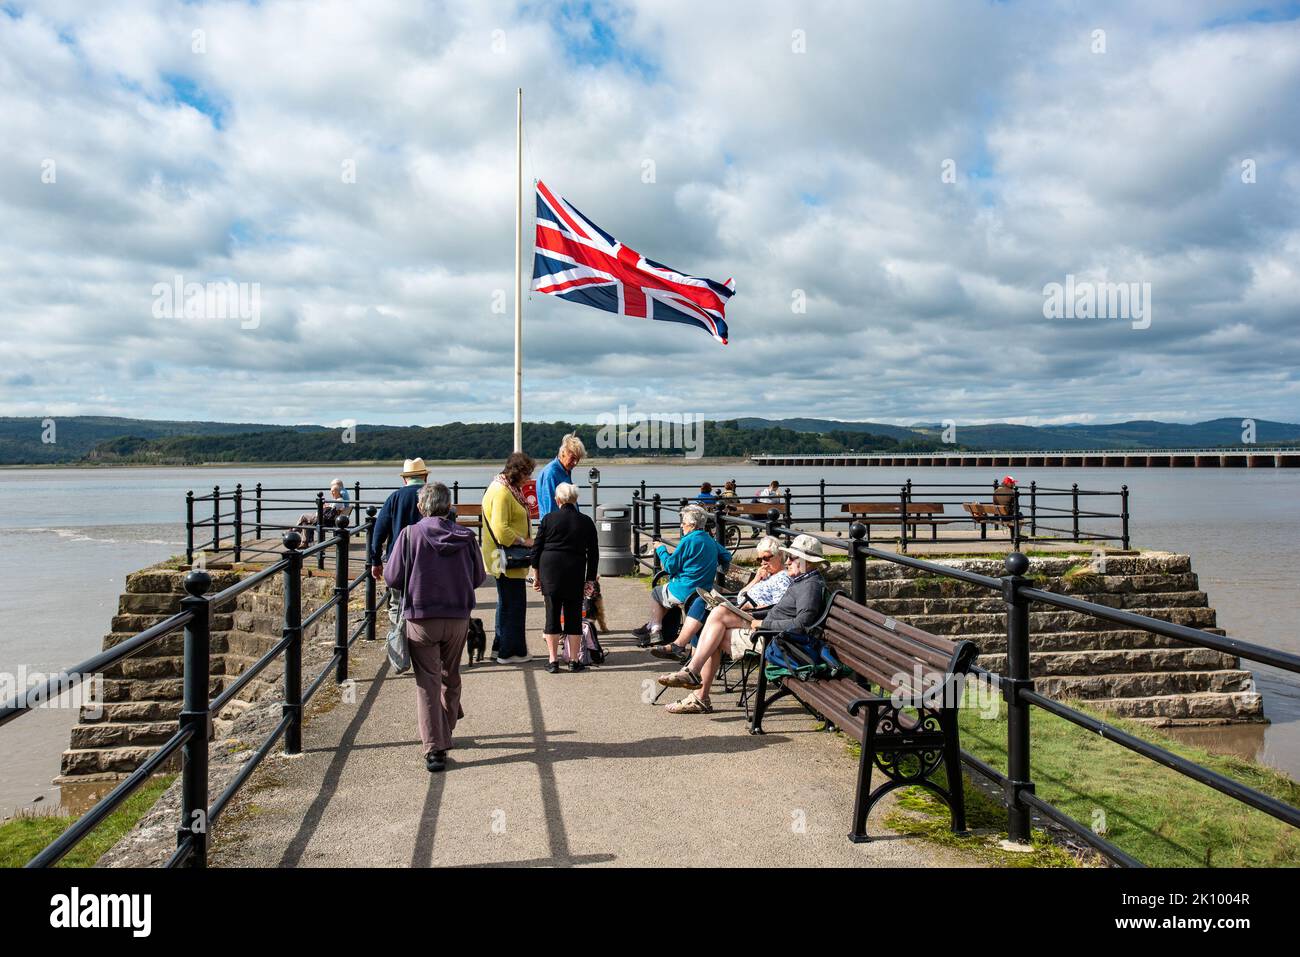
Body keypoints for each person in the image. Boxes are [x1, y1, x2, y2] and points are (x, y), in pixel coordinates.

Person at [383, 483, 486, 772]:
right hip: (457, 618)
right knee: (450, 675)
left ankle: (434, 749)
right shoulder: (466, 537)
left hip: (421, 618)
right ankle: (446, 728)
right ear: (448, 505)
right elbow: (479, 576)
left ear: (421, 507)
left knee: (426, 683)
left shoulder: (409, 535)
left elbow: (392, 577)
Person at [661, 534, 826, 714]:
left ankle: (697, 688)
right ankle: (694, 681)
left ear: (807, 562)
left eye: (792, 558)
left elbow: (801, 625)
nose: (787, 562)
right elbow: (782, 611)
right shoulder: (802, 581)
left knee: (714, 628)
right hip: (768, 630)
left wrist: (762, 623)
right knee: (717, 618)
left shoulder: (810, 587)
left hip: (775, 640)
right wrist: (755, 614)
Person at [649, 535, 786, 663]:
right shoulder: (767, 575)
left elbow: (778, 609)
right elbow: (741, 593)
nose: (763, 563)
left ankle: (682, 649)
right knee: (701, 603)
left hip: (750, 614)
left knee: (702, 606)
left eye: (766, 558)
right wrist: (756, 579)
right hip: (738, 605)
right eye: (759, 559)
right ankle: (685, 653)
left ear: (780, 555)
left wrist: (753, 607)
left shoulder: (782, 578)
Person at [632, 506, 733, 645]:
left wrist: (661, 549)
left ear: (692, 525)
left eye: (684, 523)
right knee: (666, 594)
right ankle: (652, 626)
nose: (681, 525)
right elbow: (727, 556)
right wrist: (714, 565)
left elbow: (669, 566)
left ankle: (655, 629)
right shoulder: (709, 540)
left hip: (687, 590)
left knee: (656, 593)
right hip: (703, 590)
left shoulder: (688, 540)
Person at [530, 482, 599, 673]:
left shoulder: (548, 519)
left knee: (551, 616)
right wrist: (590, 579)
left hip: (550, 570)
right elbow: (594, 553)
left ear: (558, 499)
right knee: (573, 616)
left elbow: (536, 550)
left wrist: (536, 576)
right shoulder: (586, 521)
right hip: (575, 571)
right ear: (575, 499)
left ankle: (553, 661)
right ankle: (574, 661)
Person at [482, 451, 535, 662]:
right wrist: (525, 541)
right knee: (514, 604)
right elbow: (501, 530)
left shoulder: (504, 488)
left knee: (506, 603)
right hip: (506, 559)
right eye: (527, 473)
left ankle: (500, 647)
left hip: (502, 557)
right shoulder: (503, 492)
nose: (529, 478)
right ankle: (511, 651)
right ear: (516, 473)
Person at [370, 458, 429, 630]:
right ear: (425, 477)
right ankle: (421, 641)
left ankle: (399, 645)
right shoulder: (432, 496)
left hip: (398, 559)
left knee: (396, 604)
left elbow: (379, 531)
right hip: (426, 559)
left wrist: (375, 560)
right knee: (424, 603)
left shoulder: (394, 498)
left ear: (404, 479)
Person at [537, 433, 585, 518]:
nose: (575, 463)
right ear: (563, 453)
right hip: (557, 526)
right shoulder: (551, 473)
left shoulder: (565, 470)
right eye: (573, 458)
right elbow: (550, 508)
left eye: (578, 459)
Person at [296, 478, 351, 545]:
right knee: (304, 522)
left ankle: (294, 530)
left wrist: (324, 506)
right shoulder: (340, 499)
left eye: (333, 491)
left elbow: (330, 511)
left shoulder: (338, 501)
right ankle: (304, 542)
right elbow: (333, 509)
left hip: (322, 520)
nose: (331, 493)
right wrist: (328, 506)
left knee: (303, 516)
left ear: (337, 492)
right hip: (327, 519)